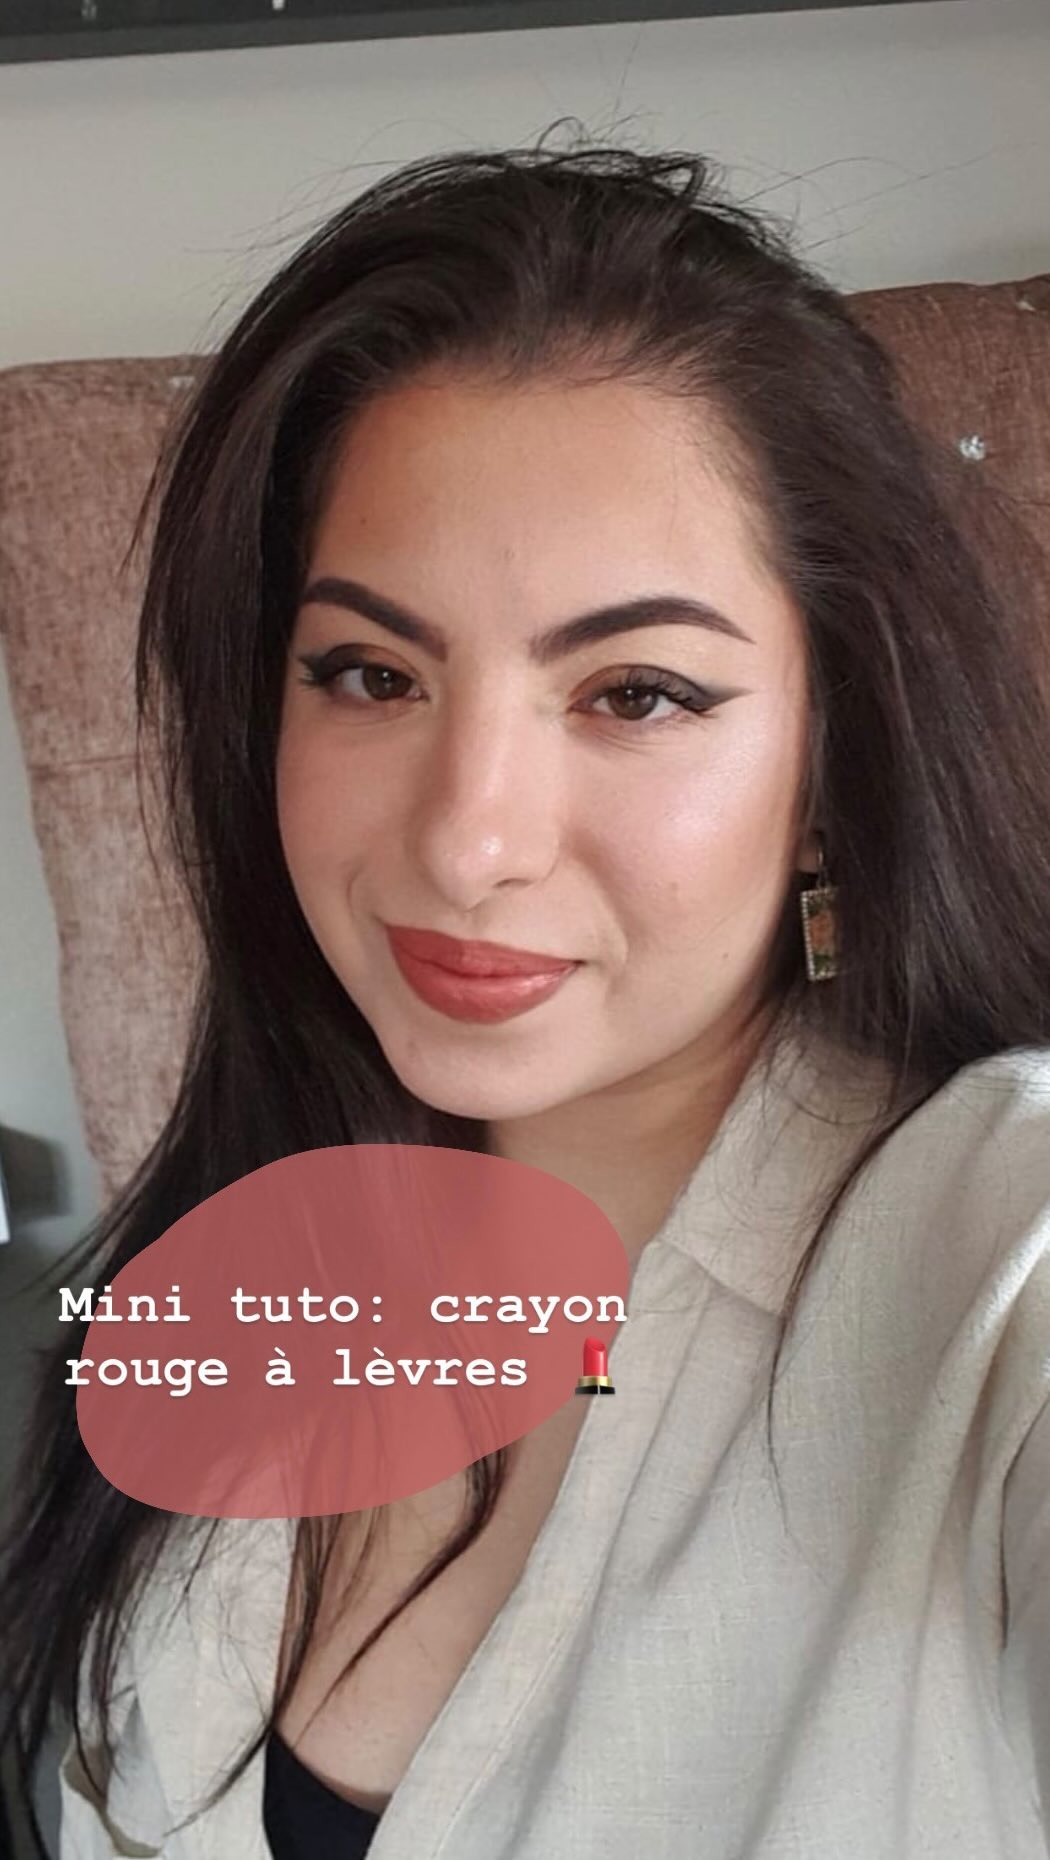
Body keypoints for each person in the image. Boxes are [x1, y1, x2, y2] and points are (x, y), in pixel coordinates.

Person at [1, 125, 1050, 1860]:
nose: (466, 840)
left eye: (634, 693)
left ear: (831, 760)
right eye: (370, 673)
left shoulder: (993, 1263)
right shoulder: (222, 1279)